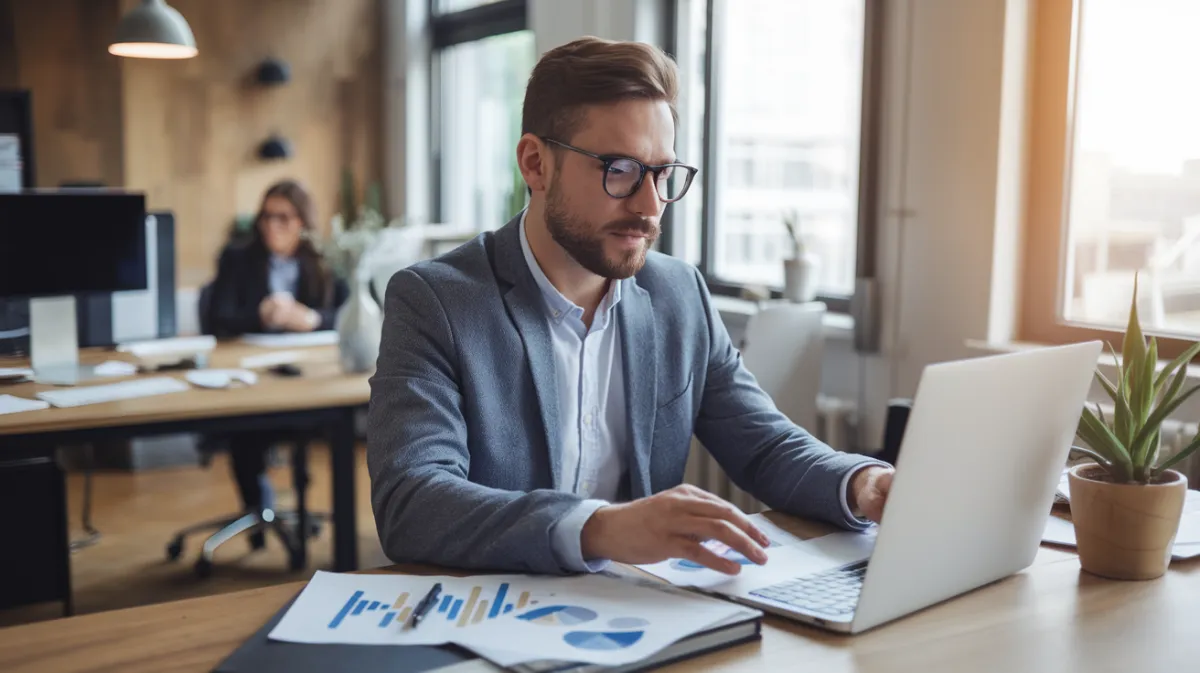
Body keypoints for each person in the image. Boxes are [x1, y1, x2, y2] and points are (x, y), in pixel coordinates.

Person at [367, 37, 895, 576]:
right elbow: (412, 500)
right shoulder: (435, 301)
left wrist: (862, 484)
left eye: (662, 173)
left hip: (643, 614)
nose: (649, 206)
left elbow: (763, 446)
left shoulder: (678, 294)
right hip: (494, 617)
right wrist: (600, 528)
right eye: (618, 169)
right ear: (535, 164)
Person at [206, 179, 347, 536]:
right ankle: (257, 503)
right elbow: (217, 319)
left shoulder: (325, 260)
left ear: (302, 222)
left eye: (283, 218)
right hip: (251, 379)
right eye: (266, 217)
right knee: (245, 423)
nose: (272, 226)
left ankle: (294, 505)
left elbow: (351, 316)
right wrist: (261, 314)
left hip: (309, 380)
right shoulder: (238, 258)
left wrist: (312, 319)